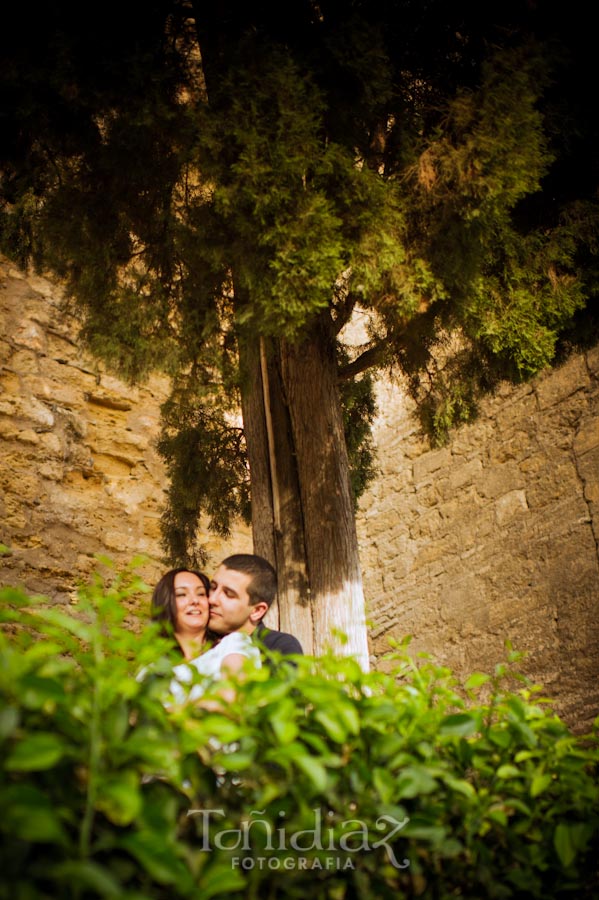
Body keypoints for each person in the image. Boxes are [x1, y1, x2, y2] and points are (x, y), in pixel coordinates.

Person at [150, 567, 261, 706]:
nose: (194, 600)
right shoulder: (151, 671)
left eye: (201, 594)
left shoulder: (234, 643)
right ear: (165, 603)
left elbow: (230, 697)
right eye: (181, 594)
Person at [208, 553, 304, 660]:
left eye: (229, 594)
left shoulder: (277, 648)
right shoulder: (198, 636)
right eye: (213, 588)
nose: (212, 599)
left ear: (257, 611)